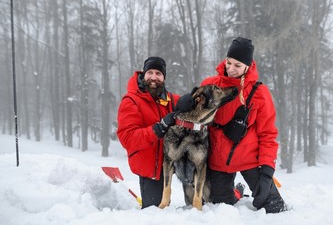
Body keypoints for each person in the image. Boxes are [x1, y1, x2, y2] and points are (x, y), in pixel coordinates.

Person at [176, 37, 287, 213]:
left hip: (249, 159)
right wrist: (182, 103)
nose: (231, 69)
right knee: (222, 207)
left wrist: (266, 171)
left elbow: (268, 134)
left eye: (238, 65)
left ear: (248, 66)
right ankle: (237, 192)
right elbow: (192, 114)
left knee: (274, 207)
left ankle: (257, 189)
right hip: (218, 161)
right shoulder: (210, 85)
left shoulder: (259, 92)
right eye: (229, 63)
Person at [116, 56, 179, 209]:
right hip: (150, 168)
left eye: (158, 73)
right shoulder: (131, 101)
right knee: (154, 212)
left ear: (164, 77)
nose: (153, 77)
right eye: (150, 72)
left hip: (172, 164)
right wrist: (158, 128)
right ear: (143, 75)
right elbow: (128, 138)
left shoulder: (172, 100)